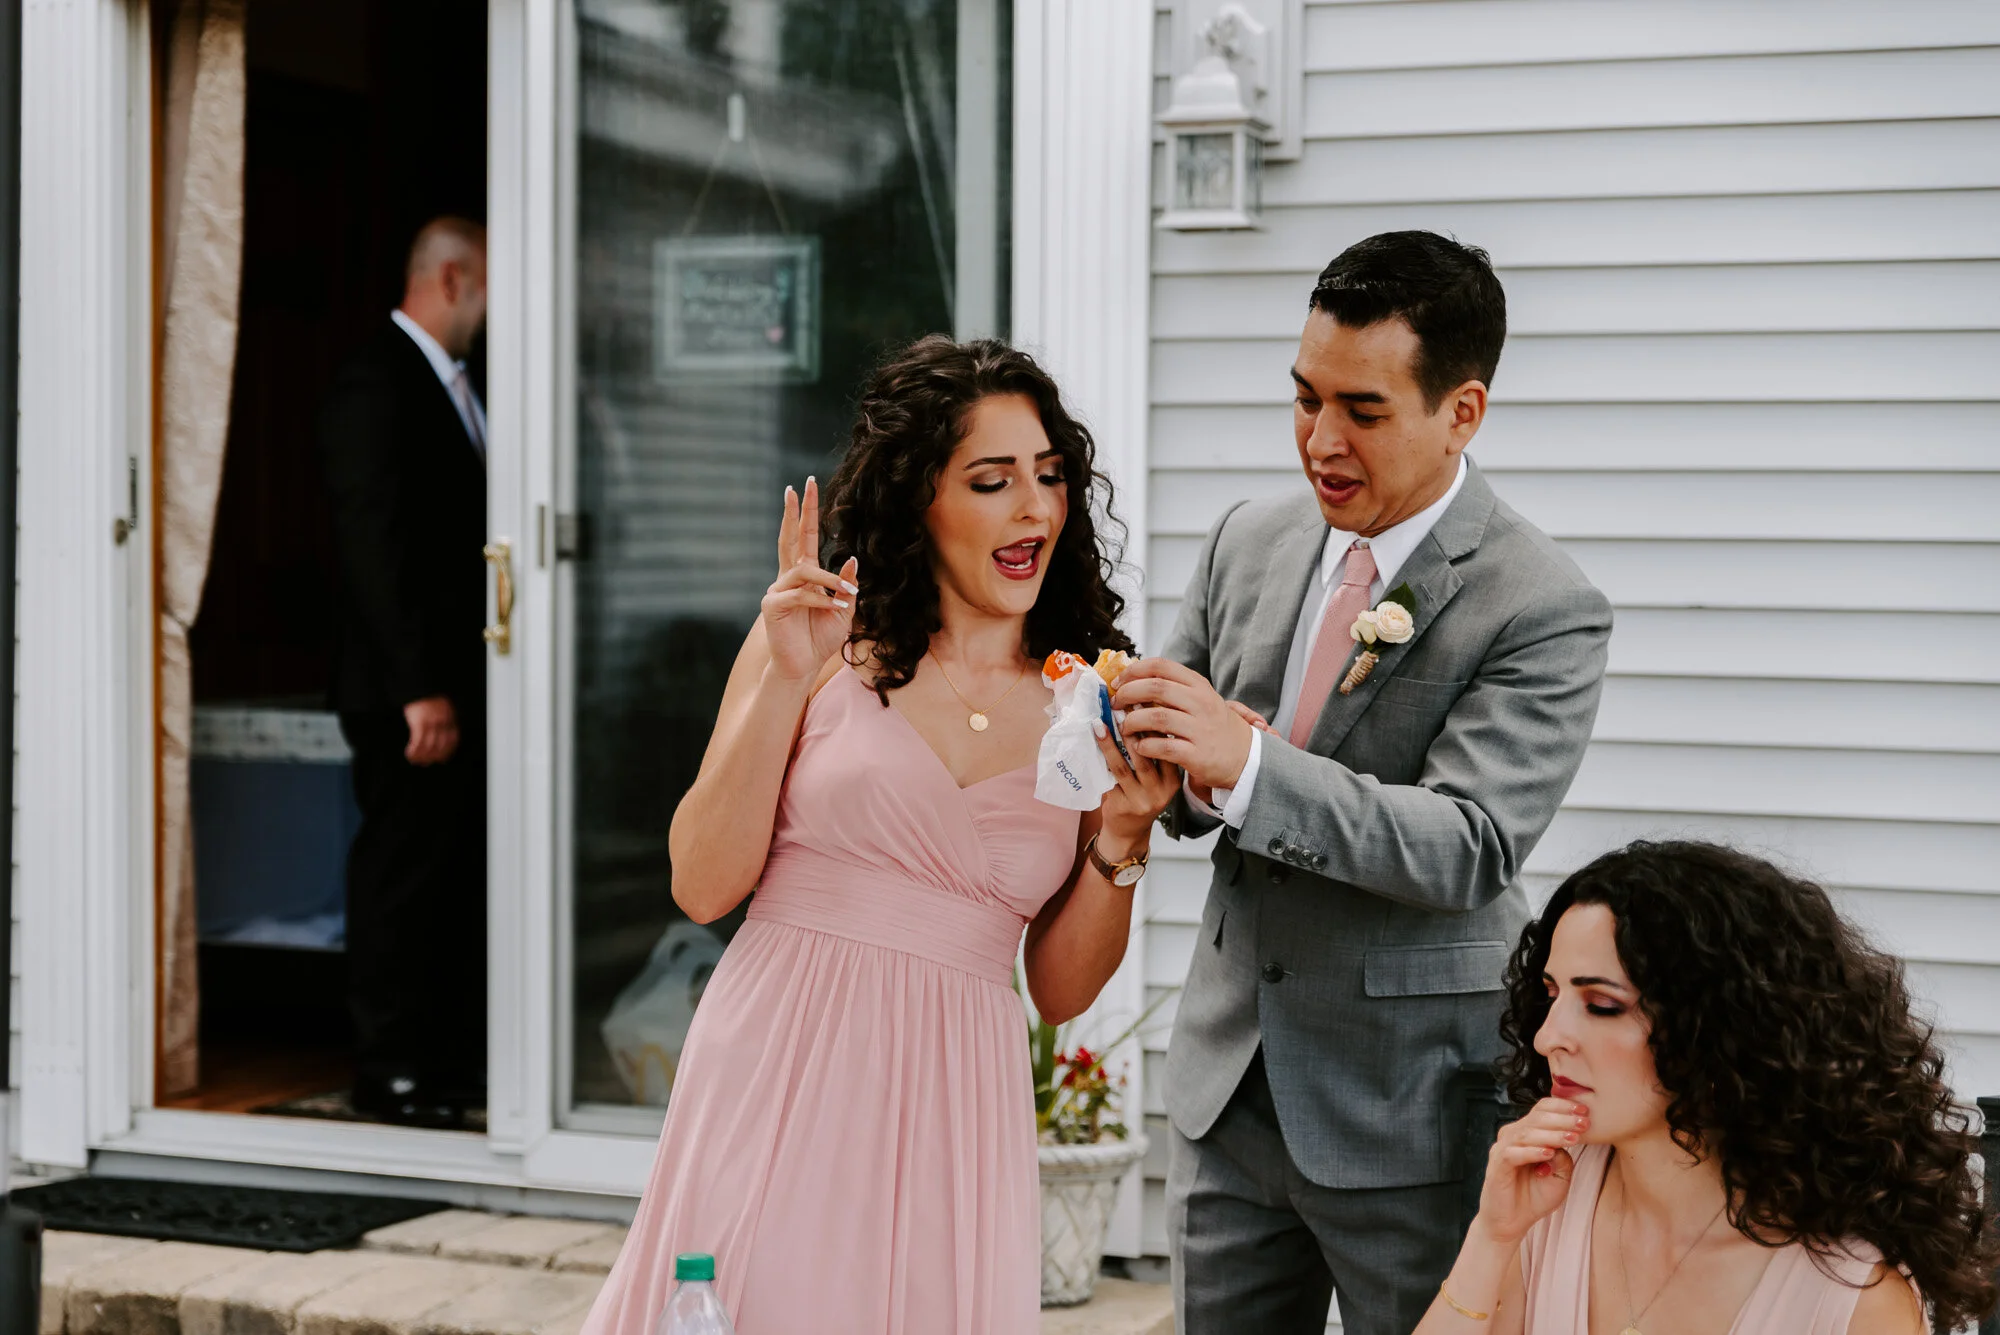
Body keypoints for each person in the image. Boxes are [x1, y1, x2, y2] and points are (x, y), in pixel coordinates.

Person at [578, 336, 1179, 1335]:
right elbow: (701, 883)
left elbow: (1059, 990)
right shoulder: (817, 642)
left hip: (956, 1101)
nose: (1035, 508)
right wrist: (783, 676)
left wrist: (1122, 834)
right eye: (992, 481)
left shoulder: (1083, 700)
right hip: (778, 1063)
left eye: (1049, 475)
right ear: (919, 499)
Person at [1112, 230, 1614, 1333]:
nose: (1319, 440)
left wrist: (1248, 765)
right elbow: (1182, 765)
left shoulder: (1543, 603)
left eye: (1362, 411)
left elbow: (1468, 844)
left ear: (1462, 411)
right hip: (1226, 1088)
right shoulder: (1245, 540)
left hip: (1408, 1108)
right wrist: (1164, 761)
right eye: (1304, 398)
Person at [1416, 840, 1997, 1334]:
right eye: (1551, 994)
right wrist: (1491, 1237)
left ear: (1720, 1030)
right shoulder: (1549, 1202)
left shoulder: (1852, 1297)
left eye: (1602, 1005)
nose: (1547, 1038)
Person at [319, 216, 490, 1130]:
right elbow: (373, 546)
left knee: (451, 869)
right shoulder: (375, 382)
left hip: (462, 680)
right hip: (406, 690)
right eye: (492, 289)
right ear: (452, 278)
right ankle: (387, 1068)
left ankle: (445, 1060)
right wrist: (419, 686)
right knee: (401, 871)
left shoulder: (464, 384)